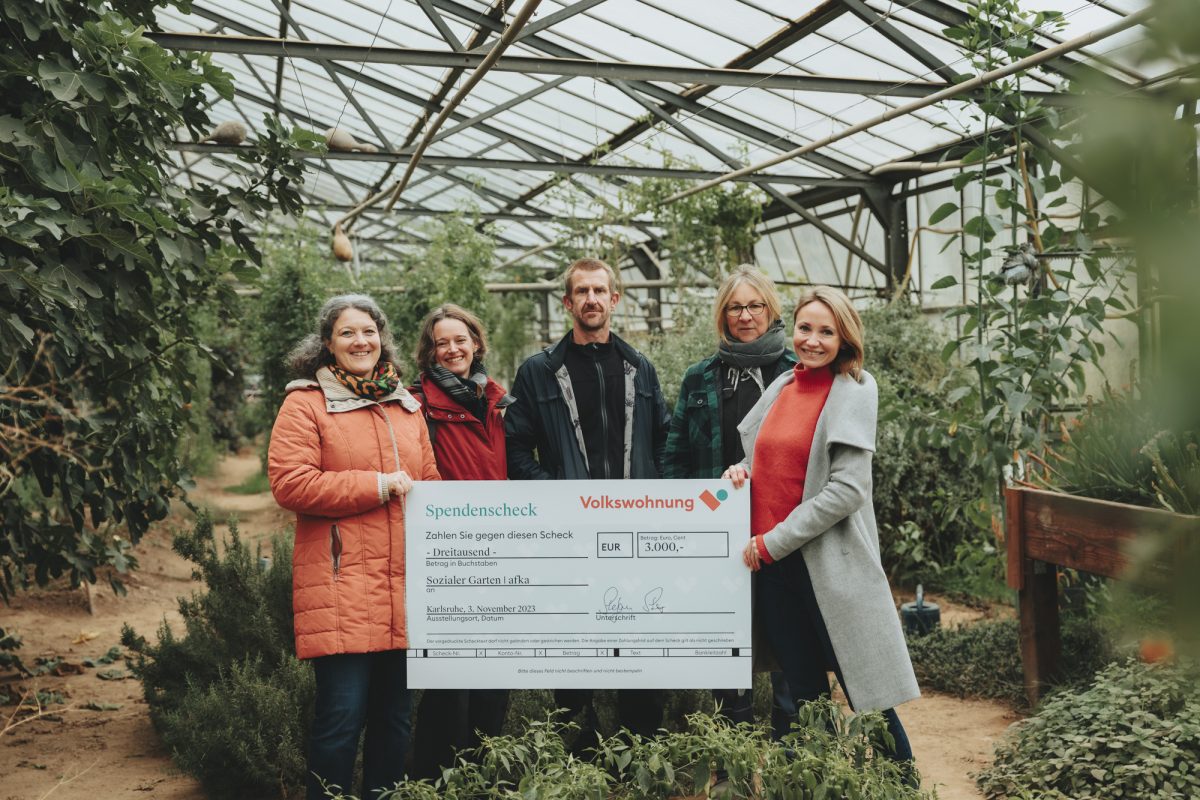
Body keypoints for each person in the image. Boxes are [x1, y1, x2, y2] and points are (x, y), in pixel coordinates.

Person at [722, 285, 919, 765]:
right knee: (803, 699)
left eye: (826, 332)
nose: (812, 340)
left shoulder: (854, 388)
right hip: (774, 569)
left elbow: (848, 490)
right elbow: (766, 456)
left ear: (845, 338)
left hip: (825, 565)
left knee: (867, 696)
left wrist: (772, 542)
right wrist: (742, 472)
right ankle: (808, 784)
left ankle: (901, 786)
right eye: (805, 328)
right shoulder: (785, 385)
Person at [268, 294, 440, 800]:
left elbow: (427, 480)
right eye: (347, 333)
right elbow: (290, 484)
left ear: (381, 338)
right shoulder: (306, 403)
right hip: (342, 587)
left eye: (368, 331)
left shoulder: (405, 405)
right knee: (340, 721)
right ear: (327, 344)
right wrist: (377, 485)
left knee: (394, 720)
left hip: (402, 587)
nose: (360, 341)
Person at [505, 257, 672, 751]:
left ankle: (641, 752)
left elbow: (663, 442)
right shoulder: (539, 372)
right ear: (567, 302)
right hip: (571, 537)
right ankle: (575, 754)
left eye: (600, 290)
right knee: (574, 648)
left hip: (637, 533)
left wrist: (661, 501)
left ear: (615, 299)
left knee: (640, 644)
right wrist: (557, 496)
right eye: (582, 291)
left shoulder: (640, 367)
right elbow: (516, 448)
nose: (592, 299)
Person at [662, 264, 796, 738]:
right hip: (718, 533)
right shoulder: (700, 378)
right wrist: (692, 519)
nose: (745, 315)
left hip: (783, 529)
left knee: (788, 646)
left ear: (770, 310)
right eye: (735, 307)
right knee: (727, 642)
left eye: (754, 305)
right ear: (723, 315)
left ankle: (791, 752)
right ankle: (730, 759)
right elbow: (674, 458)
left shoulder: (797, 373)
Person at [407, 304, 514, 779]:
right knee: (450, 678)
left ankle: (483, 774)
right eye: (441, 343)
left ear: (476, 343)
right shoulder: (415, 404)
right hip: (450, 554)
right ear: (429, 352)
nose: (452, 350)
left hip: (504, 550)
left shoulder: (498, 399)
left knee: (497, 674)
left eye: (460, 340)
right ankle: (435, 777)